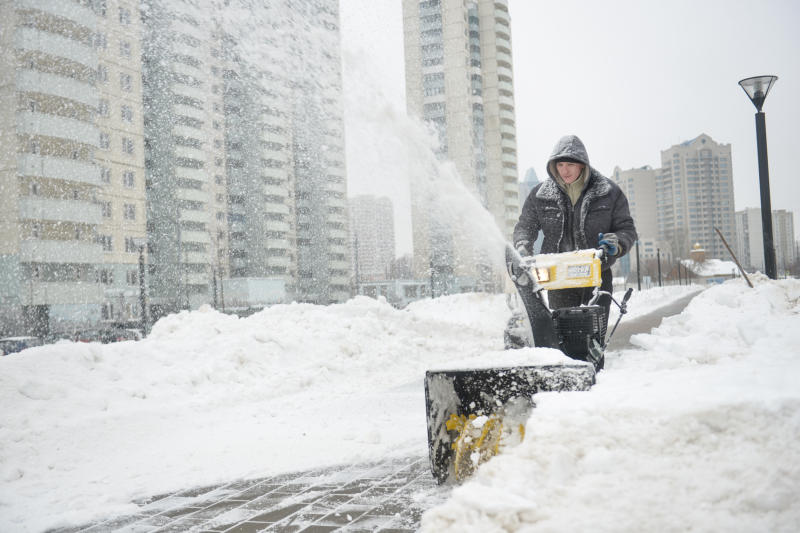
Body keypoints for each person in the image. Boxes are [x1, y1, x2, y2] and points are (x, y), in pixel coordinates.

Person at [513, 134, 637, 331]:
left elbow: (626, 229)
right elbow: (525, 226)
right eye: (560, 165)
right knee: (563, 332)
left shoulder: (608, 192)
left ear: (582, 164)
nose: (564, 170)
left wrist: (617, 243)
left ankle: (595, 363)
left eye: (570, 164)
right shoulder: (541, 195)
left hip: (597, 272)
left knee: (593, 333)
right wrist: (522, 244)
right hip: (559, 275)